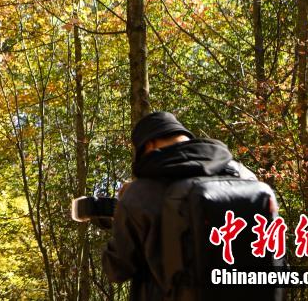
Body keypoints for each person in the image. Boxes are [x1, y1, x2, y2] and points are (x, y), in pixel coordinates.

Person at [102, 111, 271, 301]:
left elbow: (116, 268)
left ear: (149, 145)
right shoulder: (244, 175)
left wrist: (121, 216)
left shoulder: (141, 193)